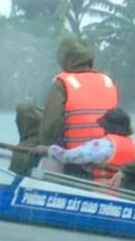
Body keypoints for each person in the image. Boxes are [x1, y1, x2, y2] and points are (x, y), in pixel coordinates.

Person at [38, 36, 119, 177]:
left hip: (75, 161)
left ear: (66, 59)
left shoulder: (62, 83)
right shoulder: (108, 82)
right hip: (108, 160)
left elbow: (51, 124)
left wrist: (46, 147)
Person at [34, 107, 135, 184]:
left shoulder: (104, 145)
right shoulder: (134, 146)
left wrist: (48, 150)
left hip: (104, 193)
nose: (103, 130)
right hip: (124, 194)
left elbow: (71, 156)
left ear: (109, 127)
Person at [8, 103, 42, 175]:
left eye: (18, 121)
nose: (16, 122)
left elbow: (12, 177)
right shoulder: (47, 143)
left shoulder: (22, 149)